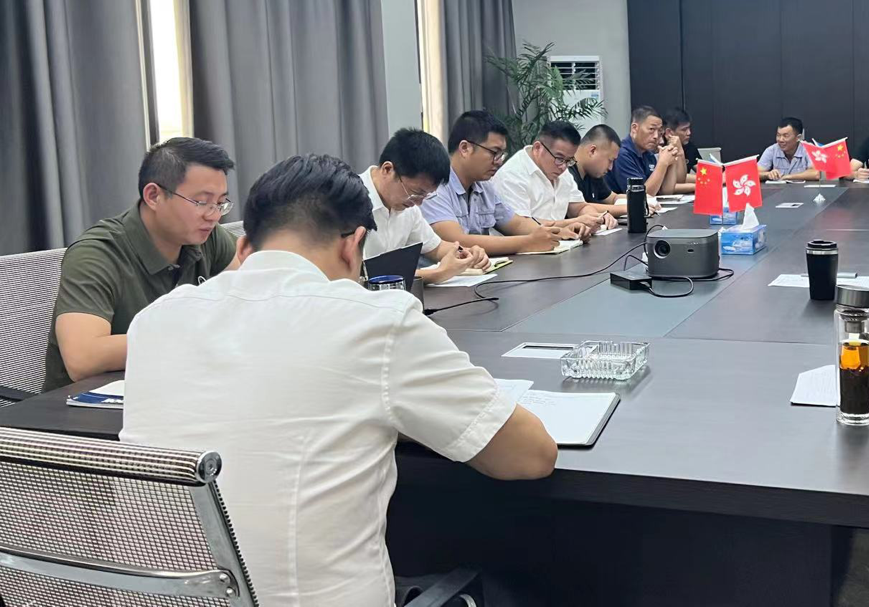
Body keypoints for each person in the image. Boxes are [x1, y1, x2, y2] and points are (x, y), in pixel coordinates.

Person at [122, 154, 556, 607]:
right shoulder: (375, 321)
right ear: (354, 245)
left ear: (244, 248)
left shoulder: (155, 320)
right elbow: (529, 457)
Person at [42, 137, 238, 390]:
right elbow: (83, 358)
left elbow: (252, 293)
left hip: (175, 387)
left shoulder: (206, 236)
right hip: (88, 403)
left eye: (220, 203)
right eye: (201, 202)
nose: (214, 215)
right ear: (154, 196)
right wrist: (193, 335)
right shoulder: (96, 254)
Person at [421, 110, 577, 254]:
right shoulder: (434, 187)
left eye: (502, 154)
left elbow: (516, 224)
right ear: (465, 148)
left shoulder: (484, 185)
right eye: (494, 153)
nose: (499, 161)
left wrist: (556, 233)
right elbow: (457, 241)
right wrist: (528, 242)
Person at [360, 128, 491, 285]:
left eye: (426, 196)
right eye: (416, 193)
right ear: (387, 170)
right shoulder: (349, 201)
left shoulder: (408, 207)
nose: (418, 203)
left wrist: (466, 253)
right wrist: (438, 273)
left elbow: (436, 247)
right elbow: (362, 276)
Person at [492, 120, 615, 234]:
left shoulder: (562, 169)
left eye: (569, 160)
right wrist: (572, 223)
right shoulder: (512, 175)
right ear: (538, 148)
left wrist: (595, 218)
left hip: (561, 244)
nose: (563, 167)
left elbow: (579, 207)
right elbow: (521, 227)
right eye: (559, 158)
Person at [606, 105, 683, 196]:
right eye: (651, 129)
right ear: (634, 128)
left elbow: (666, 192)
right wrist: (663, 163)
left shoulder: (648, 153)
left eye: (659, 131)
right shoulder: (622, 154)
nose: (656, 136)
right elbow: (641, 196)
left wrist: (671, 160)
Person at [758, 116, 823, 182]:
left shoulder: (808, 148)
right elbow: (755, 173)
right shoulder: (771, 150)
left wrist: (788, 177)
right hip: (779, 188)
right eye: (778, 135)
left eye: (786, 136)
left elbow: (816, 173)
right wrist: (767, 174)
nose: (780, 140)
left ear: (798, 138)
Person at [662, 107, 699, 193]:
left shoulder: (689, 147)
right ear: (669, 132)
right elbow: (665, 187)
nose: (689, 133)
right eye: (684, 130)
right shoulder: (660, 147)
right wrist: (700, 186)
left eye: (689, 128)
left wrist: (715, 177)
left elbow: (681, 179)